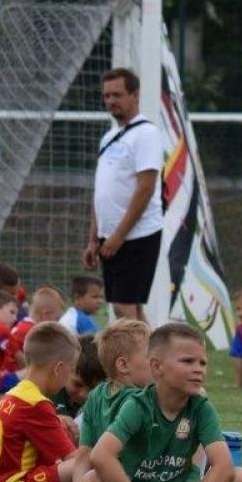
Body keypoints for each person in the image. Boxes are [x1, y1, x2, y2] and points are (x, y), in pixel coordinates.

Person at [80, 322, 242, 482]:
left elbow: (223, 465)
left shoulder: (201, 407)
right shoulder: (138, 405)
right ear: (156, 366)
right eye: (188, 361)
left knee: (241, 480)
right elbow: (100, 456)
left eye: (203, 363)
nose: (198, 369)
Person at [82, 67, 165, 322]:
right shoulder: (109, 137)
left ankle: (136, 350)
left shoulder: (146, 134)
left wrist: (119, 235)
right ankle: (151, 348)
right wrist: (94, 238)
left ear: (134, 95)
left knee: (123, 307)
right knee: (130, 309)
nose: (111, 101)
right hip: (109, 236)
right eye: (106, 96)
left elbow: (146, 188)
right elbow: (102, 191)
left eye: (117, 95)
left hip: (137, 234)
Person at [0, 322, 83, 482]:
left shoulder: (12, 394)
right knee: (84, 463)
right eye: (70, 370)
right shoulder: (36, 404)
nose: (68, 377)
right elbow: (75, 459)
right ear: (58, 369)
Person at [69, 319, 153, 482]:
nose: (158, 361)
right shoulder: (145, 398)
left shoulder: (96, 395)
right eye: (151, 356)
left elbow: (82, 458)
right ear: (123, 365)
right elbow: (84, 457)